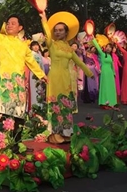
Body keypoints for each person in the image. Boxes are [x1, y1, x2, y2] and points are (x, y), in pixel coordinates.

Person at [0, 0, 46, 147]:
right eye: (8, 23)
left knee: (19, 115)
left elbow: (31, 62)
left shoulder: (24, 46)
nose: (9, 25)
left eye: (13, 23)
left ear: (20, 27)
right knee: (6, 115)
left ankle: (17, 144)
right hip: (5, 83)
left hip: (18, 85)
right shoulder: (0, 39)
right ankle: (6, 144)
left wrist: (42, 75)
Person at [40, 12, 93, 143]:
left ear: (66, 32)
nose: (57, 32)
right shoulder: (51, 44)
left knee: (66, 105)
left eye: (60, 30)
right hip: (54, 78)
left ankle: (66, 131)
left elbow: (79, 62)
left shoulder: (69, 49)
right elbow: (47, 34)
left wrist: (90, 74)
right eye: (56, 30)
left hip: (66, 79)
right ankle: (54, 133)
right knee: (54, 104)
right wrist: (44, 19)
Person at [92, 39, 117, 108]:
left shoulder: (110, 56)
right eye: (107, 47)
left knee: (111, 88)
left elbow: (112, 66)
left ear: (111, 49)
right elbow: (98, 47)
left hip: (110, 73)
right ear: (105, 48)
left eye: (110, 47)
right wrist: (93, 39)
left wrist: (114, 73)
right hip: (104, 72)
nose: (108, 48)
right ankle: (104, 102)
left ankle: (112, 102)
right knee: (105, 87)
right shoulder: (102, 54)